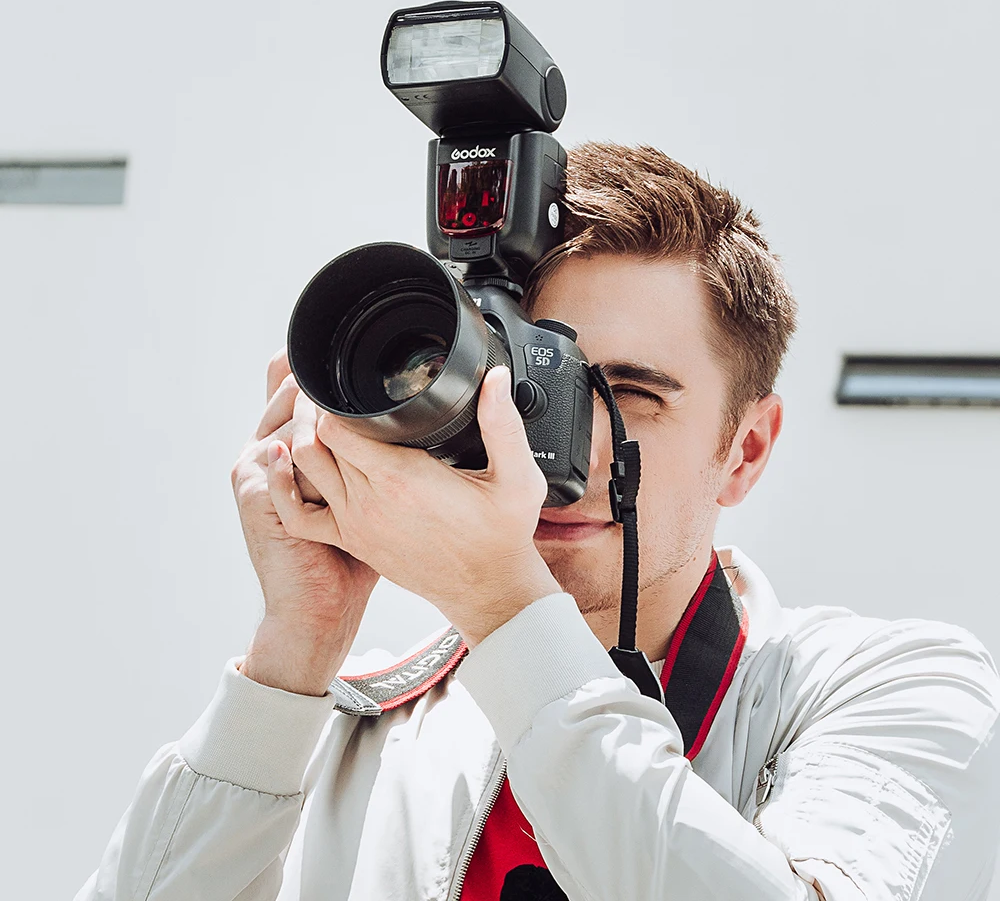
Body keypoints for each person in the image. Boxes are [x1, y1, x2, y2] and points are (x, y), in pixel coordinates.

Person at [77, 144, 1000, 901]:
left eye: (632, 394)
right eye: (530, 389)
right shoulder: (344, 723)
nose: (563, 457)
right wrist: (296, 647)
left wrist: (505, 609)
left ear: (746, 450)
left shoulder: (890, 688)